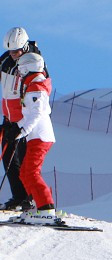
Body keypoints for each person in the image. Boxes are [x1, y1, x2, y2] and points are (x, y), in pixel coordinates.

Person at [1, 26, 44, 212]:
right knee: (8, 158)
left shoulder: (34, 60)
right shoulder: (5, 60)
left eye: (16, 51)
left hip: (24, 120)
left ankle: (31, 198)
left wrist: (23, 124)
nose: (13, 55)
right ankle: (18, 197)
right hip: (9, 117)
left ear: (25, 47)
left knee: (24, 160)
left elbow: (41, 86)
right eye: (10, 51)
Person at [13, 52, 57, 224]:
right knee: (24, 172)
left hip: (40, 136)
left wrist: (22, 130)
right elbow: (30, 114)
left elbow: (37, 113)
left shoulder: (36, 86)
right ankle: (36, 204)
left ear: (28, 67)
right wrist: (15, 128)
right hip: (35, 136)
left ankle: (46, 208)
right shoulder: (32, 85)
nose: (19, 73)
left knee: (31, 172)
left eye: (21, 69)